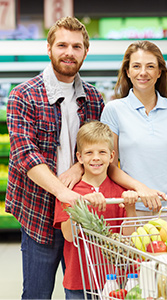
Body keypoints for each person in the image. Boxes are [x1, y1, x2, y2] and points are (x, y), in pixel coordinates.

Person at [5, 16, 105, 299]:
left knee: (85, 294)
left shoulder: (95, 99)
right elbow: (25, 154)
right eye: (62, 45)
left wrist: (76, 169)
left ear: (85, 51)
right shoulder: (23, 95)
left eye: (76, 46)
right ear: (48, 48)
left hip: (82, 214)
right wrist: (63, 192)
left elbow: (96, 149)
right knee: (36, 294)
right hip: (39, 211)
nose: (69, 52)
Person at [101, 40, 167, 216]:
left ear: (159, 72)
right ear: (128, 72)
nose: (143, 72)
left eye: (150, 66)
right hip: (132, 209)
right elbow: (111, 166)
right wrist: (141, 188)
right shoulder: (113, 110)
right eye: (136, 66)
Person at [54, 120, 138, 299]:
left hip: (116, 282)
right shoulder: (68, 193)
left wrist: (130, 209)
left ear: (112, 155)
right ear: (79, 157)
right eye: (89, 153)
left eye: (102, 152)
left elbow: (128, 239)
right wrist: (80, 205)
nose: (96, 158)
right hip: (79, 281)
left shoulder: (119, 191)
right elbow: (69, 235)